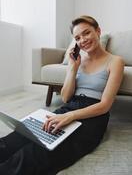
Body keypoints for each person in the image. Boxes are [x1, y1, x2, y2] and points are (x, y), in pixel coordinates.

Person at [0, 15, 124, 175]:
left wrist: (71, 116)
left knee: (36, 154)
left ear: (98, 31)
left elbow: (105, 105)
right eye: (78, 37)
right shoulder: (78, 61)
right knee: (21, 136)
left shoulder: (115, 61)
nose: (83, 40)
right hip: (69, 107)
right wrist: (72, 68)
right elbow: (65, 98)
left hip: (93, 115)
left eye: (86, 33)